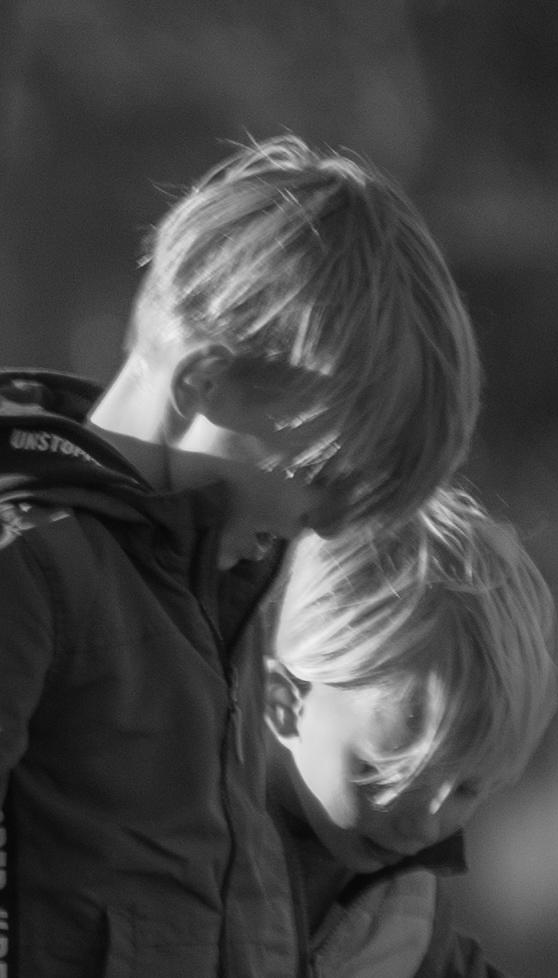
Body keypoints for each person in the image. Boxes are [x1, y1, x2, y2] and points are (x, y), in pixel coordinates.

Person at [0, 134, 480, 977]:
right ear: (202, 383)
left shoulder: (227, 598)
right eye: (318, 474)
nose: (329, 525)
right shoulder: (32, 563)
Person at [265, 487, 558, 977]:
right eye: (388, 776)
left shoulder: (406, 906)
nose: (425, 827)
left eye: (466, 789)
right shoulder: (187, 843)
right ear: (285, 704)